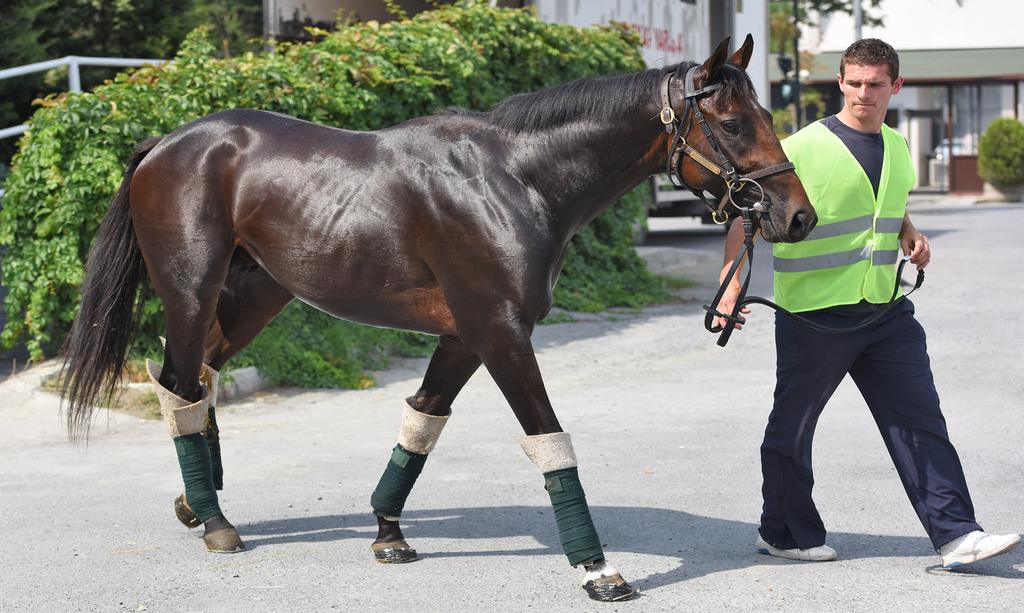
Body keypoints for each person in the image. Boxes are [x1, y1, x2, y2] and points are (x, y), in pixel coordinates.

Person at [716, 38, 1019, 568]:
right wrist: (729, 285)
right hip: (815, 316)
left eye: (875, 84)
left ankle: (957, 535)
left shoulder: (899, 147)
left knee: (920, 420)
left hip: (885, 309)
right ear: (840, 83)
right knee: (793, 427)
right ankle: (784, 531)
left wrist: (910, 232)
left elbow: (886, 206)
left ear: (894, 86)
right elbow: (747, 216)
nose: (863, 93)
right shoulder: (800, 148)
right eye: (853, 82)